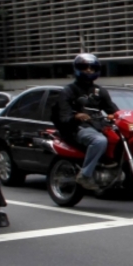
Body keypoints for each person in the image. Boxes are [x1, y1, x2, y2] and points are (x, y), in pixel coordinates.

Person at [53, 53, 119, 191]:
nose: (89, 70)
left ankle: (113, 168)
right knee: (99, 141)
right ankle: (85, 174)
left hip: (99, 126)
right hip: (77, 128)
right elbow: (63, 116)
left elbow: (113, 110)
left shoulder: (100, 91)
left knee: (120, 138)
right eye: (84, 67)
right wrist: (76, 116)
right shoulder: (68, 91)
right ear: (77, 69)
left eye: (92, 67)